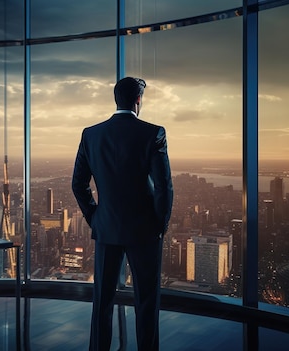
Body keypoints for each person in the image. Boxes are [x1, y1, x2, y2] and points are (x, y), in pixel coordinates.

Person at [71, 77, 173, 350]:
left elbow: (78, 184)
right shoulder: (154, 133)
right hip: (144, 230)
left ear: (116, 99)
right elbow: (163, 186)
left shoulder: (90, 134)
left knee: (102, 300)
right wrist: (160, 224)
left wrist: (95, 216)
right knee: (147, 302)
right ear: (138, 100)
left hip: (107, 228)